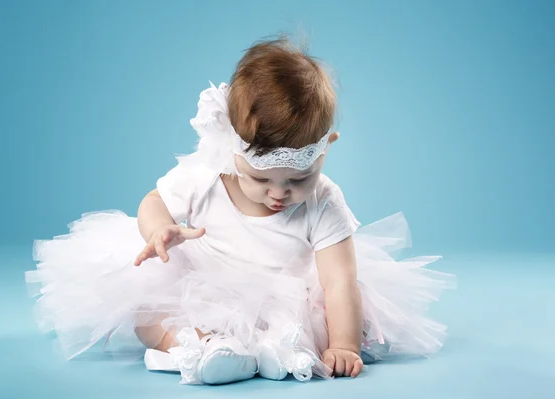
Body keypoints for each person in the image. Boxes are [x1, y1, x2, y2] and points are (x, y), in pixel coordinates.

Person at [26, 37, 455, 385]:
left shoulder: (325, 200)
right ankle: (202, 347)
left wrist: (342, 344)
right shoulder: (207, 175)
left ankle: (277, 350)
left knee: (340, 319)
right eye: (261, 179)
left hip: (286, 297)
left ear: (327, 150)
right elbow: (153, 202)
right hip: (206, 286)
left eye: (297, 180)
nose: (279, 194)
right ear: (233, 150)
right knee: (144, 309)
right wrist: (159, 229)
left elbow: (340, 280)